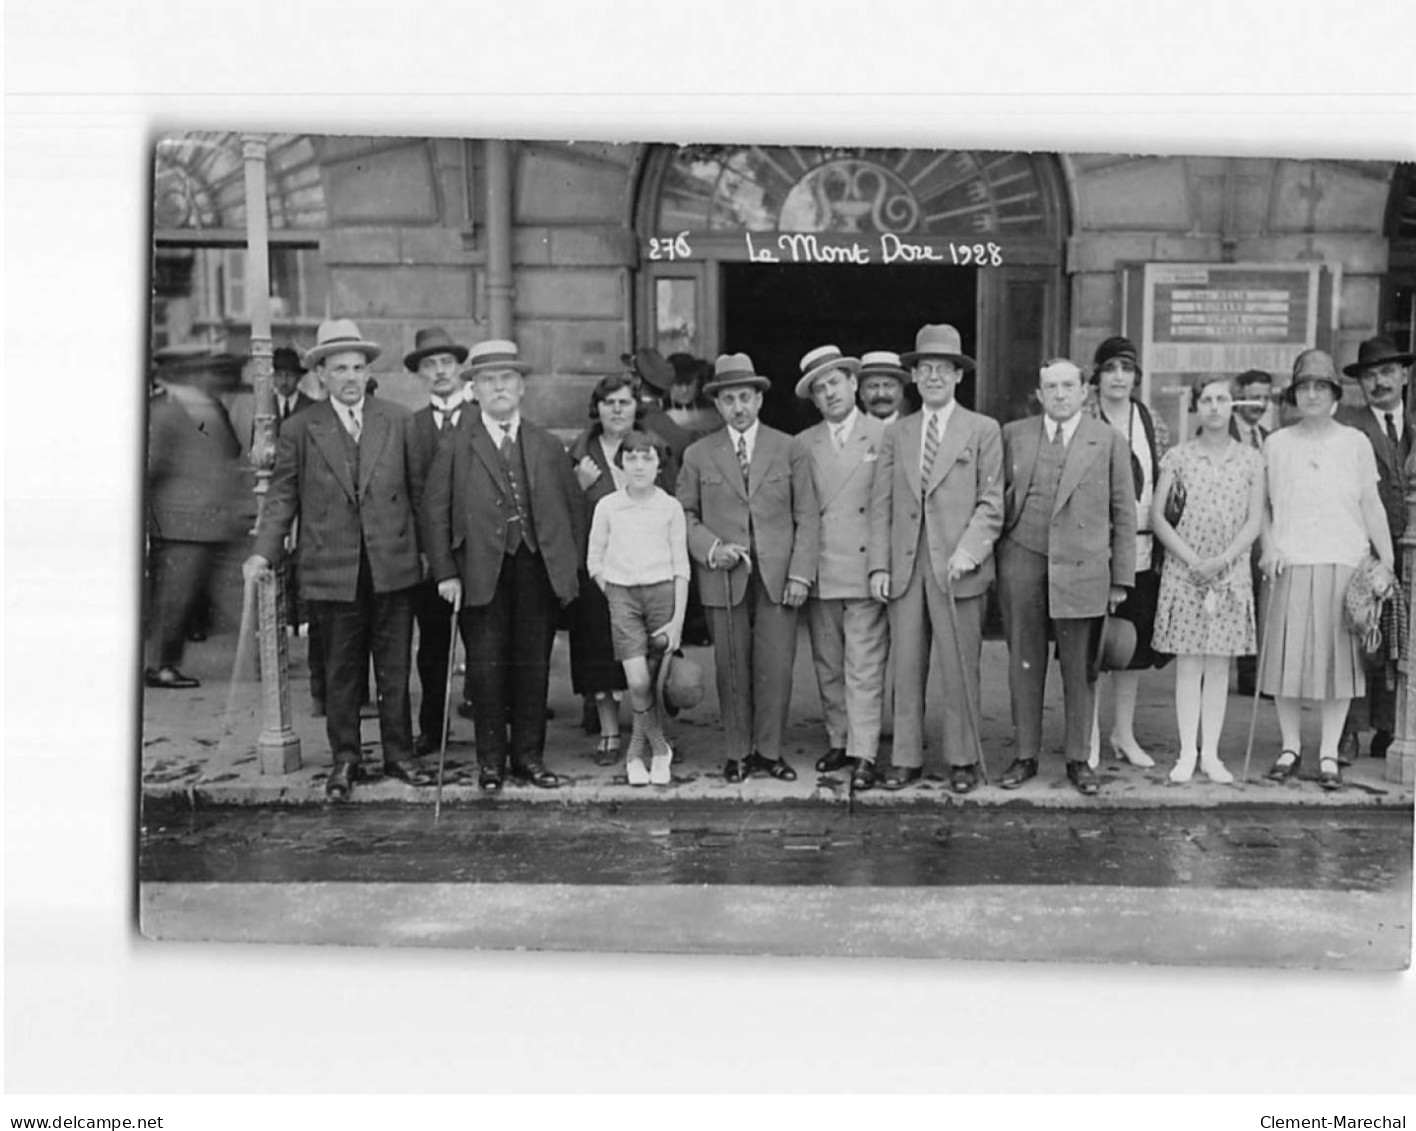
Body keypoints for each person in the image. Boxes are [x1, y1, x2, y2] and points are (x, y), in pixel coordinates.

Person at [244, 318, 433, 800]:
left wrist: (433, 558)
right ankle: (346, 759)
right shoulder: (300, 429)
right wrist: (263, 553)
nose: (350, 376)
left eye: (357, 367)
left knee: (394, 666)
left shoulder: (398, 420)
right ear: (320, 376)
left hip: (392, 563)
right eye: (339, 369)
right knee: (342, 671)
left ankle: (399, 755)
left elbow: (419, 496)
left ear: (368, 370)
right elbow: (282, 498)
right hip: (332, 568)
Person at [422, 339, 587, 793]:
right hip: (478, 571)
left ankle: (529, 759)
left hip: (536, 569)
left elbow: (573, 511)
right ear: (473, 389)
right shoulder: (457, 445)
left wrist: (568, 573)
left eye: (507, 380)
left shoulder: (547, 444)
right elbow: (434, 512)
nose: (499, 388)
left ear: (522, 389)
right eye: (488, 380)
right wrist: (445, 574)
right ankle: (491, 764)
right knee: (486, 669)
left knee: (533, 667)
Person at [868, 325, 1004, 793]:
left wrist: (969, 551)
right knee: (905, 666)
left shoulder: (982, 430)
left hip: (957, 567)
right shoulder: (899, 433)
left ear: (957, 377)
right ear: (913, 376)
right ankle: (905, 757)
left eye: (942, 369)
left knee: (959, 664)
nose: (932, 377)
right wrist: (880, 565)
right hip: (907, 566)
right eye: (924, 369)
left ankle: (962, 759)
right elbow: (882, 502)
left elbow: (992, 504)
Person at [677, 352, 819, 783]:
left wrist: (800, 574)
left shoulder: (789, 447)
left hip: (778, 577)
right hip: (724, 573)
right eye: (728, 400)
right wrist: (711, 547)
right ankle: (738, 753)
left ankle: (770, 752)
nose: (737, 407)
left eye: (745, 397)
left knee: (775, 667)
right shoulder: (699, 453)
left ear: (758, 400)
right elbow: (682, 513)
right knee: (732, 665)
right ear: (717, 406)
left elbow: (808, 515)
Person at [997, 358, 1136, 796]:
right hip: (1024, 558)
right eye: (1050, 387)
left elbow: (1124, 514)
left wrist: (1119, 580)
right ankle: (1025, 755)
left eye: (1067, 386)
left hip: (1083, 565)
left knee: (1080, 667)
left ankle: (1078, 758)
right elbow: (996, 500)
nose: (1059, 394)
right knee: (1024, 660)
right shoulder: (1013, 435)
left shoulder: (1108, 441)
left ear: (1084, 393)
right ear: (1039, 394)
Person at [1260, 350, 1396, 790]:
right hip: (1292, 561)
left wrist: (1387, 560)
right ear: (1294, 395)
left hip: (1344, 561)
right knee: (1287, 662)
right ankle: (1289, 746)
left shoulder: (1354, 442)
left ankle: (1329, 752)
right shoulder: (1276, 444)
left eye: (1321, 386)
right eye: (1304, 387)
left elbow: (1370, 504)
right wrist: (1269, 546)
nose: (1312, 394)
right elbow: (1261, 506)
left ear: (1335, 394)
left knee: (1338, 668)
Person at [1150, 375, 1266, 783]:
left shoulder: (1250, 458)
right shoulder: (1178, 456)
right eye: (1207, 399)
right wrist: (1193, 559)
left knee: (1219, 666)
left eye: (1222, 399)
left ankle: (1211, 755)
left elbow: (1254, 520)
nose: (1214, 406)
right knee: (1189, 664)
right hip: (1186, 573)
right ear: (1196, 406)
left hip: (1229, 573)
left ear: (1232, 405)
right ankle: (1185, 753)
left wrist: (1223, 560)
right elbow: (1158, 517)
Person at [791, 345, 890, 791]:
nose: (829, 393)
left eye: (835, 382)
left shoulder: (885, 435)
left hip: (866, 567)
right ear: (813, 399)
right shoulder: (802, 444)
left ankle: (865, 751)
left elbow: (890, 508)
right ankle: (840, 740)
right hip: (822, 568)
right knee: (828, 663)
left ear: (854, 383)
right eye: (819, 388)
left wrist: (882, 566)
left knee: (863, 665)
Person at [568, 373, 678, 764]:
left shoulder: (656, 451)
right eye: (609, 402)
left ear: (637, 408)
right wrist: (577, 488)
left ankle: (654, 734)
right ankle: (611, 733)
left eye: (624, 402)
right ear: (597, 409)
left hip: (650, 575)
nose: (616, 409)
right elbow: (565, 519)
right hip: (599, 576)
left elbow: (673, 508)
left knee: (650, 660)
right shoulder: (580, 455)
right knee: (601, 654)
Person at [586, 431, 691, 785]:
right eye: (631, 458)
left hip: (663, 596)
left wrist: (677, 621)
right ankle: (656, 749)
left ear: (659, 464)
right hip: (623, 597)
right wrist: (613, 591)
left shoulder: (670, 507)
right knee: (637, 679)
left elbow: (681, 567)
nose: (640, 465)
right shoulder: (608, 506)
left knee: (658, 680)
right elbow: (594, 560)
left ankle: (645, 754)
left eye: (647, 458)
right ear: (621, 464)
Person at [1086, 335, 1170, 770]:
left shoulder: (1150, 420)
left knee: (1132, 646)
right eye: (1110, 368)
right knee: (1093, 646)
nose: (1119, 377)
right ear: (1096, 376)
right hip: (1093, 550)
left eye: (1127, 369)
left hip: (1140, 548)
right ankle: (1090, 738)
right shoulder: (1084, 418)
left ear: (1136, 376)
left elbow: (1164, 481)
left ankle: (1124, 733)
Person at [145, 350, 248, 689]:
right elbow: (150, 467)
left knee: (231, 595)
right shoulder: (164, 411)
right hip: (181, 524)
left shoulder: (207, 408)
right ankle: (161, 665)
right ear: (186, 373)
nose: (214, 378)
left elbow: (230, 450)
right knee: (175, 599)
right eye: (205, 371)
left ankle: (257, 660)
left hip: (215, 520)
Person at [1335, 336, 1414, 763]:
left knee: (1402, 643)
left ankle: (1390, 729)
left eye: (1387, 372)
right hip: (1361, 551)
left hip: (1412, 555)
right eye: (1369, 375)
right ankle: (1348, 732)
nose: (1379, 382)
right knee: (1360, 639)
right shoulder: (1349, 428)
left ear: (1404, 375)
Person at [403, 325, 473, 755]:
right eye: (430, 365)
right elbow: (410, 492)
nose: (440, 371)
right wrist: (425, 552)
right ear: (420, 375)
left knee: (485, 645)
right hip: (430, 560)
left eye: (446, 362)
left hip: (478, 553)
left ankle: (489, 724)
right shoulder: (409, 427)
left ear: (459, 368)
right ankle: (433, 728)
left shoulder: (480, 417)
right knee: (432, 648)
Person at [1227, 369, 1275, 696]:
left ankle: (1253, 676)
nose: (1259, 403)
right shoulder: (1220, 432)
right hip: (1226, 530)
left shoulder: (1269, 438)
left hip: (1259, 532)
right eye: (1253, 396)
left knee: (1258, 600)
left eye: (1265, 397)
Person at [858, 351, 911, 425]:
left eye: (888, 385)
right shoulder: (848, 432)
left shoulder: (917, 431)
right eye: (873, 386)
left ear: (901, 391)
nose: (881, 394)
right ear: (861, 393)